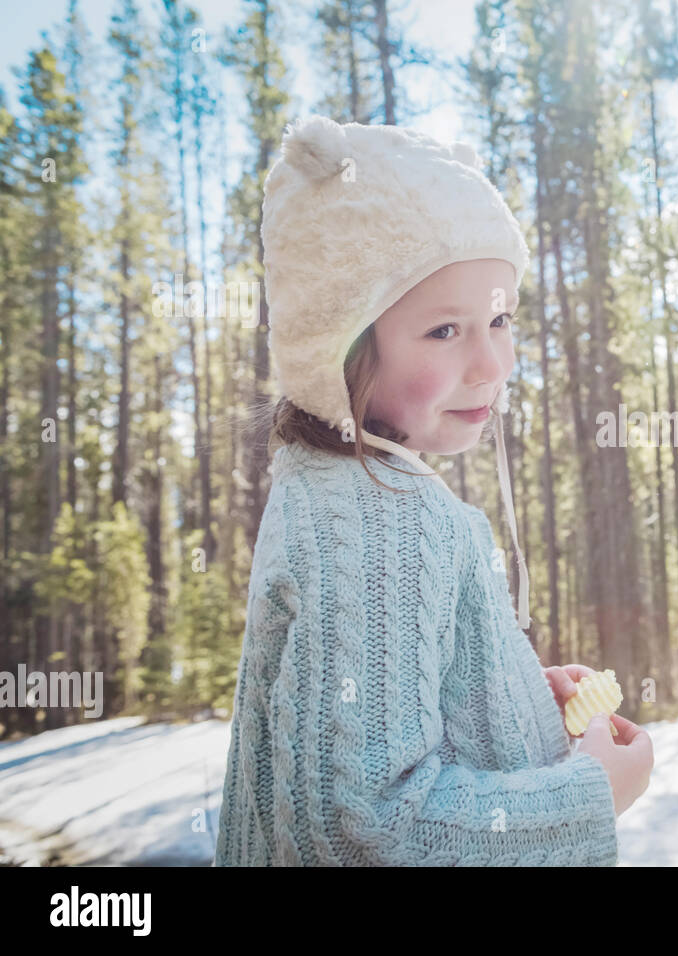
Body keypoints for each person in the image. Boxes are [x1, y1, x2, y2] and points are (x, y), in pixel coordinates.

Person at [214, 115, 653, 866]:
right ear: (343, 345)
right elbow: (364, 830)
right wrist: (590, 796)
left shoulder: (344, 490)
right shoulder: (376, 518)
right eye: (445, 331)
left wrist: (511, 697)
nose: (492, 363)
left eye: (500, 319)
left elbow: (383, 713)